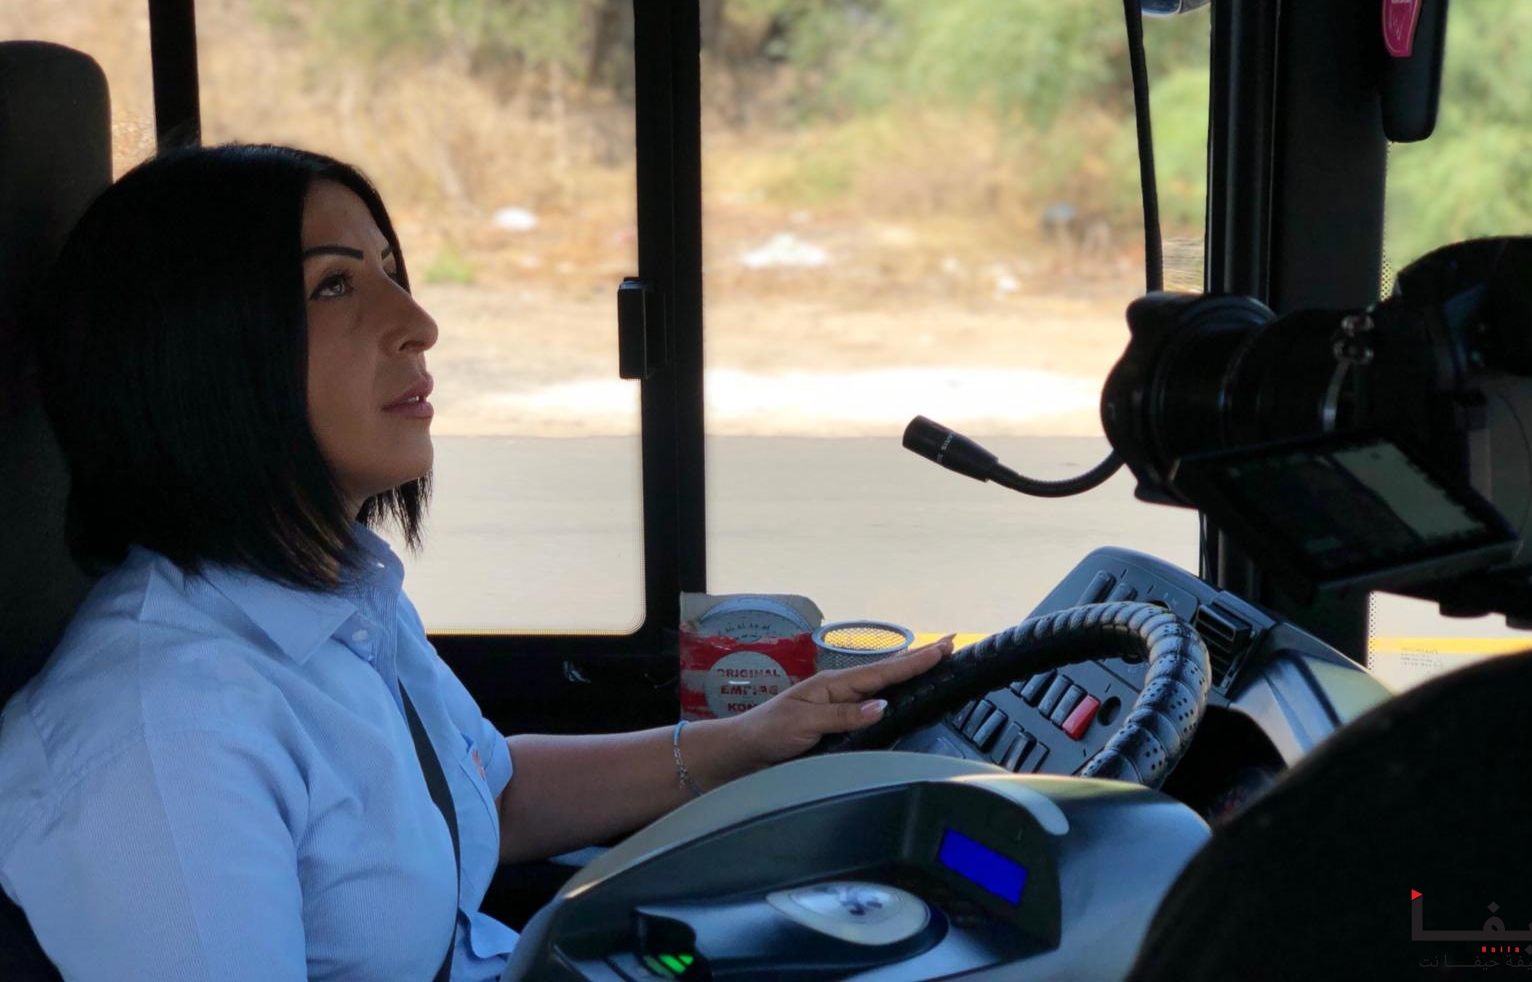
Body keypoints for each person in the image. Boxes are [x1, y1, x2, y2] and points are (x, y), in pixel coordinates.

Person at [0, 144, 953, 981]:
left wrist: (752, 739)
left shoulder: (333, 595)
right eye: (335, 286)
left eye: (389, 269)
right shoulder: (164, 737)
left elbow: (484, 791)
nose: (418, 321)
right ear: (199, 357)